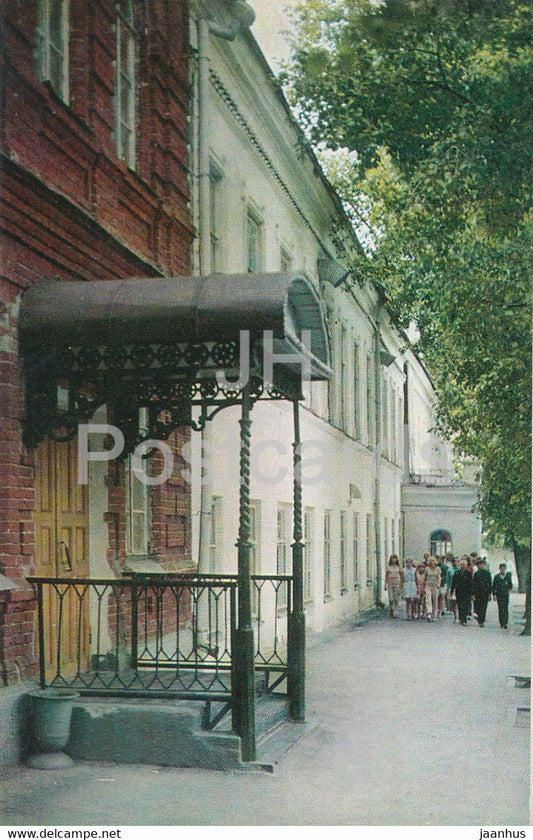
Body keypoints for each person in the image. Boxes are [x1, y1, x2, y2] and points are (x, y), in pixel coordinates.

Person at [451, 558, 473, 626]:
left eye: (464, 565)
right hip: (459, 591)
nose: (463, 566)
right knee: (460, 605)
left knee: (465, 605)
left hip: (466, 592)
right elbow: (454, 582)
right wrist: (452, 590)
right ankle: (461, 617)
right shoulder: (457, 573)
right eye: (462, 565)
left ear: (466, 565)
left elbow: (471, 583)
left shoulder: (468, 573)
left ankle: (464, 619)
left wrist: (472, 592)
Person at [492, 563, 513, 630]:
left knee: (505, 608)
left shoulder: (508, 576)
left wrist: (509, 590)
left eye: (504, 568)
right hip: (499, 594)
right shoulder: (497, 577)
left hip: (505, 595)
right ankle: (502, 622)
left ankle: (506, 622)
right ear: (499, 569)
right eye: (501, 568)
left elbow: (510, 585)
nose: (502, 570)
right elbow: (494, 586)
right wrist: (494, 595)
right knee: (500, 608)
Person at [472, 559, 492, 626]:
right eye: (479, 565)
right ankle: (479, 617)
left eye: (482, 564)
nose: (481, 566)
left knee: (483, 607)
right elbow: (474, 584)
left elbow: (489, 583)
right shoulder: (476, 573)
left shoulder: (487, 573)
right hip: (478, 592)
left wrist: (489, 593)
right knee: (478, 605)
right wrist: (473, 593)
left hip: (485, 592)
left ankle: (481, 621)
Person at [425, 556, 441, 621]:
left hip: (435, 585)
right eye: (431, 561)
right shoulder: (427, 568)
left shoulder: (438, 568)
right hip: (428, 585)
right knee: (428, 599)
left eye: (433, 560)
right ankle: (429, 612)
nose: (432, 562)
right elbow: (425, 576)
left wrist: (438, 584)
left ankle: (434, 614)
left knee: (435, 600)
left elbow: (439, 577)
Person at [446, 556, 459, 622]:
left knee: (458, 602)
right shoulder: (449, 570)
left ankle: (460, 615)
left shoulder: (460, 569)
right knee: (454, 602)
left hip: (459, 588)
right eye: (454, 561)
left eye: (457, 561)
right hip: (452, 588)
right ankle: (455, 616)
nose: (456, 562)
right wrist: (448, 589)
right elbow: (448, 580)